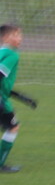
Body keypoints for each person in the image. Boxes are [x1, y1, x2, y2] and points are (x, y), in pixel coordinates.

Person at [0, 24, 25, 173]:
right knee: (13, 128)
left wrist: (17, 95)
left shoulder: (1, 51)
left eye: (20, 35)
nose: (19, 38)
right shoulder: (12, 54)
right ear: (6, 38)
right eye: (16, 35)